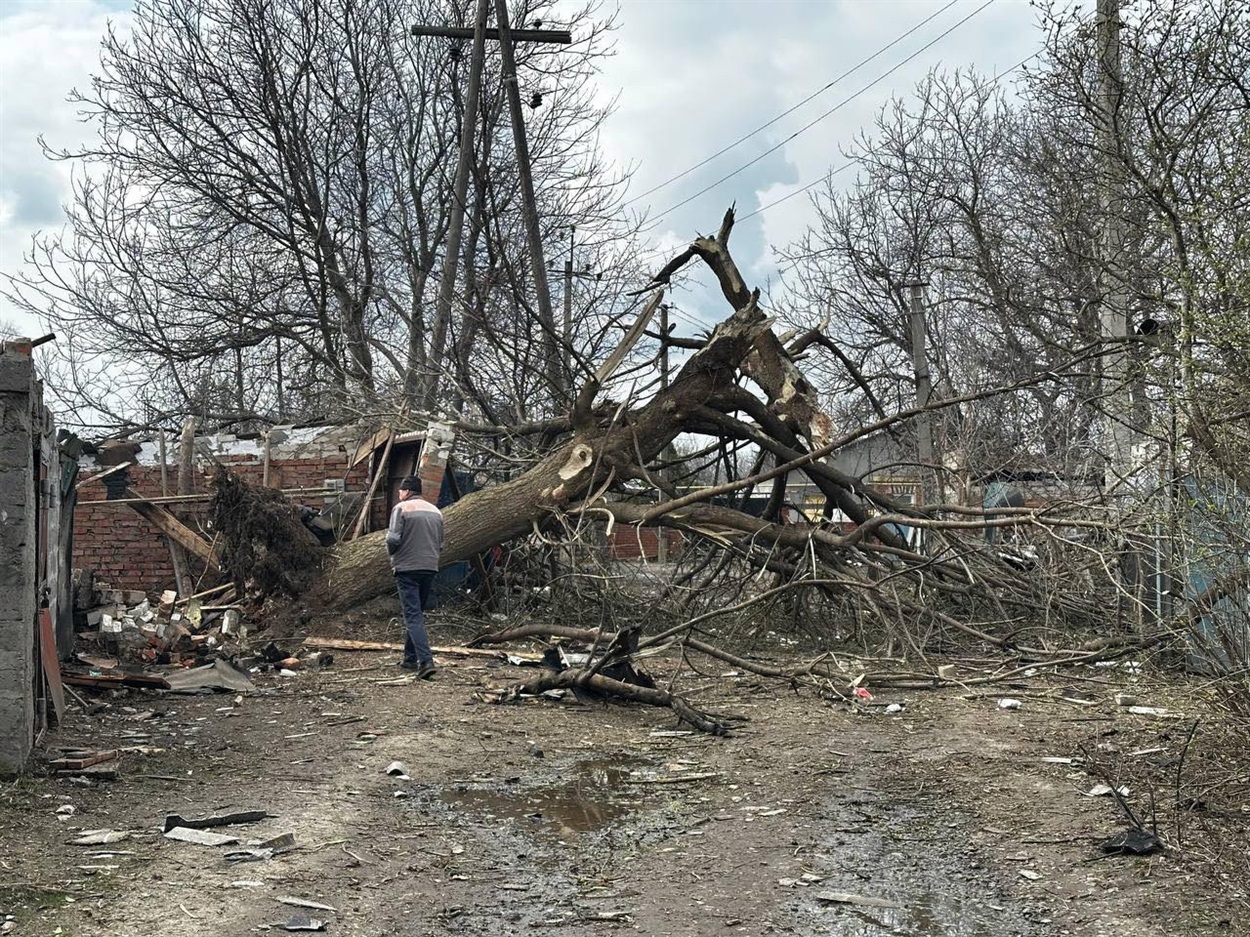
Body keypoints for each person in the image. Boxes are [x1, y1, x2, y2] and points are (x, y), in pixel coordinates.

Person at [386, 475, 444, 678]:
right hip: (430, 567)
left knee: (412, 615)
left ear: (407, 491)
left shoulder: (401, 509)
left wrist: (393, 554)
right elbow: (441, 543)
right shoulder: (436, 512)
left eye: (400, 490)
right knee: (417, 612)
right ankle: (409, 658)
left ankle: (425, 661)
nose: (399, 494)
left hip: (407, 568)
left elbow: (393, 538)